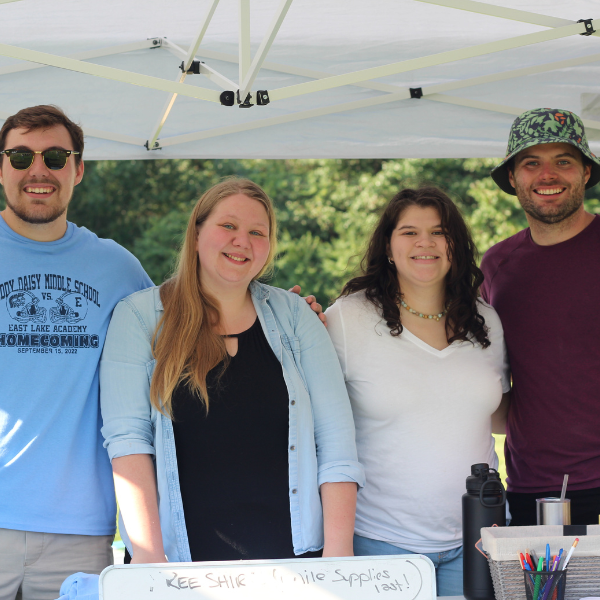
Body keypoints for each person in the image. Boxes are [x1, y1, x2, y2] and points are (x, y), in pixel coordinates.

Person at [99, 178, 364, 564]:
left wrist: (338, 554)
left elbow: (337, 442)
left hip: (294, 563)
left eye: (257, 232)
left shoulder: (296, 318)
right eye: (228, 226)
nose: (242, 240)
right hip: (180, 566)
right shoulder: (139, 317)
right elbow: (128, 443)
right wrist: (149, 558)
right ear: (196, 233)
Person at [0, 105, 154, 600]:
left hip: (80, 530)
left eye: (55, 156)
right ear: (1, 166)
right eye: (20, 156)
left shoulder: (117, 268)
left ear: (78, 168)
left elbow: (185, 338)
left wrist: (285, 314)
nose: (37, 170)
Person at [325, 187, 510, 596]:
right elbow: (317, 425)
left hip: (479, 539)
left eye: (439, 232)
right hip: (381, 543)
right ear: (388, 247)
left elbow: (492, 413)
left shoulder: (487, 323)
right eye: (409, 232)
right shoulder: (346, 320)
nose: (425, 242)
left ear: (455, 246)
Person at [482, 108, 600, 526]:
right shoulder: (496, 266)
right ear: (513, 178)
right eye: (531, 163)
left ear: (586, 172)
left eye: (563, 161)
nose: (547, 175)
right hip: (536, 487)